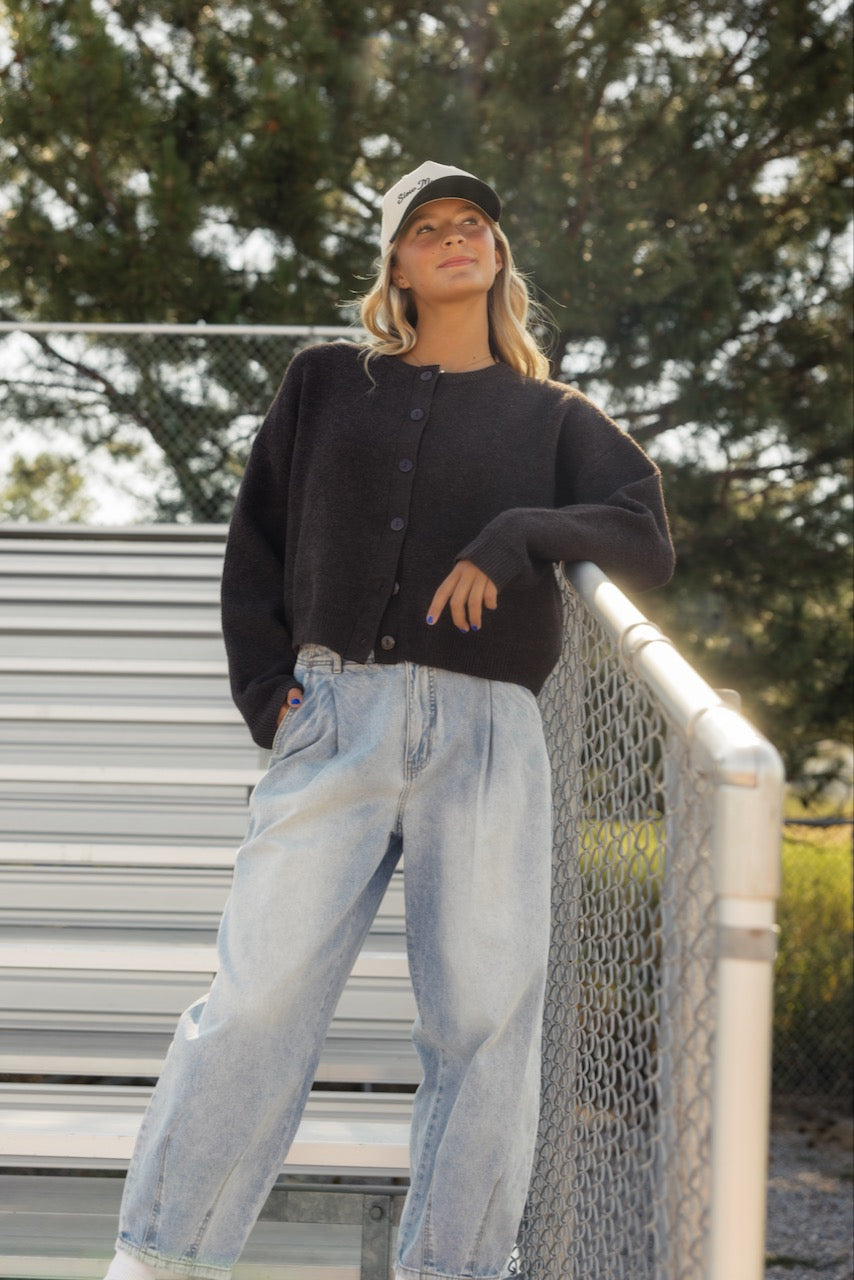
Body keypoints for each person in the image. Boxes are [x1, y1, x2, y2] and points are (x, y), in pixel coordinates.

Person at [104, 160, 675, 1280]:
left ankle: (454, 1268)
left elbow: (641, 535)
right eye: (428, 229)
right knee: (255, 999)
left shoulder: (554, 417)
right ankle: (164, 1256)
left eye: (473, 225)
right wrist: (270, 691)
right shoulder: (326, 381)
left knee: (482, 1024)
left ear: (497, 256)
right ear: (398, 267)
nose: (456, 239)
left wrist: (517, 532)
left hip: (488, 736)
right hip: (335, 716)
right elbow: (255, 543)